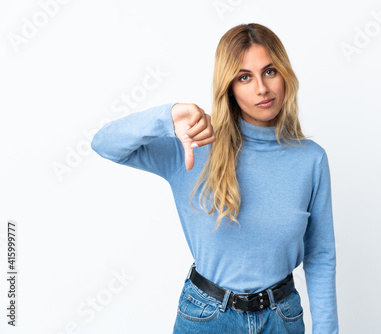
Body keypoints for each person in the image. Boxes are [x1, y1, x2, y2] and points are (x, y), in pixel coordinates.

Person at [91, 23, 339, 334]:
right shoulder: (193, 145)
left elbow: (319, 255)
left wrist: (327, 330)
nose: (261, 88)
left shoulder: (310, 159)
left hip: (282, 319)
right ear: (230, 87)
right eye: (244, 77)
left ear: (285, 74)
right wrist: (168, 116)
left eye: (270, 71)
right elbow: (104, 144)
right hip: (206, 318)